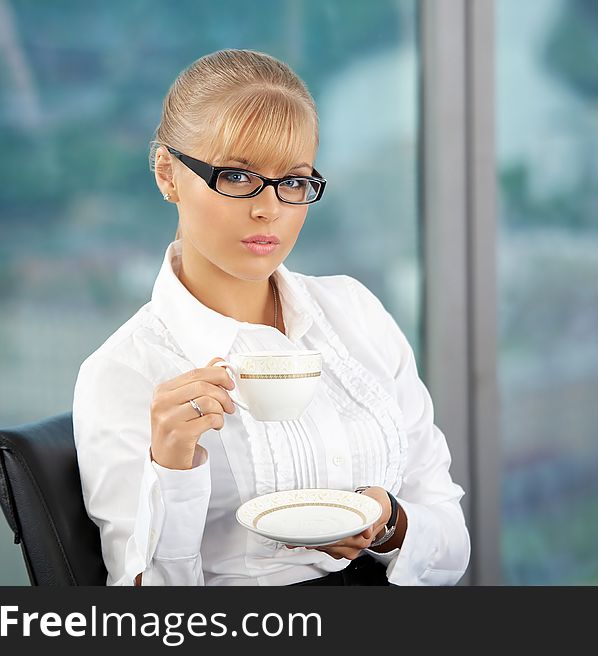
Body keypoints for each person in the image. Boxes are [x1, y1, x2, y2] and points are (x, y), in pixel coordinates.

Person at [72, 49, 471, 586]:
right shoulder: (124, 372)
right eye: (237, 176)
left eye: (294, 181)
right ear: (167, 174)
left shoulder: (354, 314)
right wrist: (170, 466)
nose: (270, 209)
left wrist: (389, 524)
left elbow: (451, 542)